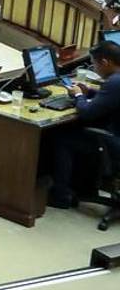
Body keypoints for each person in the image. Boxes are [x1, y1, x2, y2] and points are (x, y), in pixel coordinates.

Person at [47, 40, 120, 208]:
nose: (94, 69)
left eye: (94, 64)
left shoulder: (115, 82)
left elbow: (87, 113)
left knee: (63, 138)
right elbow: (111, 100)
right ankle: (86, 188)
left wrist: (79, 96)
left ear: (105, 62)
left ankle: (61, 196)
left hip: (115, 143)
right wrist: (91, 92)